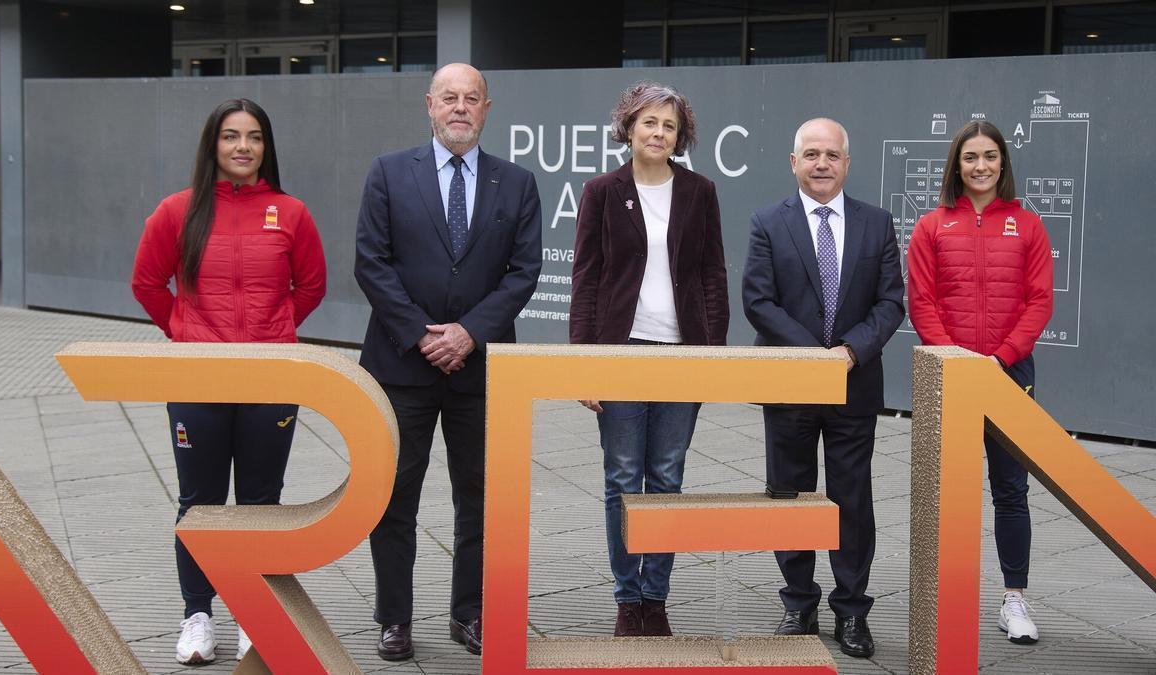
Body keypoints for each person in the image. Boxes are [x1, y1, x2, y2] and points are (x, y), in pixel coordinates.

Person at [353, 63, 542, 661]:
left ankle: (471, 613)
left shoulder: (516, 184)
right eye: (449, 98)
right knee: (394, 495)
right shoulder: (388, 172)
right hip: (401, 366)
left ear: (488, 108)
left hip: (482, 370)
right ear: (429, 105)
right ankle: (395, 619)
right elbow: (371, 262)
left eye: (472, 99)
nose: (460, 108)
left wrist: (469, 333)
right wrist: (421, 334)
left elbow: (523, 272)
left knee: (480, 497)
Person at [131, 98, 326, 665]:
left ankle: (254, 613)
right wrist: (185, 331)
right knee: (201, 502)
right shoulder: (177, 211)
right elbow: (147, 282)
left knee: (262, 501)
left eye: (255, 137)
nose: (243, 147)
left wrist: (275, 330)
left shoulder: (290, 212)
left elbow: (311, 286)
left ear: (267, 147)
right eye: (231, 136)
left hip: (269, 379)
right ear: (212, 145)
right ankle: (197, 616)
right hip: (198, 377)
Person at [569, 81, 728, 637]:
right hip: (620, 352)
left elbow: (712, 275)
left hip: (682, 354)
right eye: (649, 123)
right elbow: (585, 280)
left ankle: (655, 597)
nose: (659, 133)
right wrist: (585, 362)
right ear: (628, 128)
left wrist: (711, 356)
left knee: (666, 477)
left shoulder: (700, 191)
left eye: (669, 125)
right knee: (621, 479)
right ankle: (626, 597)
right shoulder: (602, 191)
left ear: (680, 136)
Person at [742, 118, 904, 658]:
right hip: (790, 383)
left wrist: (849, 353)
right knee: (788, 497)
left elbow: (890, 304)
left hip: (854, 384)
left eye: (832, 155)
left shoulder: (877, 224)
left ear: (847, 163)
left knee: (851, 500)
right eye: (811, 154)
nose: (821, 163)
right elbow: (759, 302)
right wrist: (815, 357)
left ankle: (852, 611)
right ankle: (799, 602)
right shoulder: (768, 222)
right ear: (793, 162)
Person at [907, 120, 1052, 645]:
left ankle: (1014, 600)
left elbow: (1039, 302)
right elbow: (922, 301)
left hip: (1012, 375)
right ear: (957, 165)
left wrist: (1002, 358)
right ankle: (951, 600)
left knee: (1011, 491)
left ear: (1003, 163)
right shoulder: (931, 226)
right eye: (971, 157)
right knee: (951, 493)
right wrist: (958, 361)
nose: (981, 166)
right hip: (951, 375)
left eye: (990, 156)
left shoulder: (1028, 225)